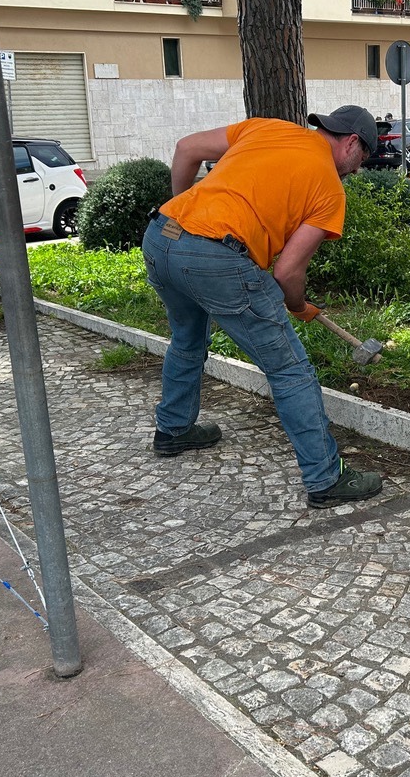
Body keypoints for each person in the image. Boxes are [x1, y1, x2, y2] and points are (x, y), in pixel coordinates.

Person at [141, 105, 383, 509]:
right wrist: (298, 306)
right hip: (216, 259)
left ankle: (174, 429)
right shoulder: (329, 188)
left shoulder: (268, 129)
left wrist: (184, 212)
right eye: (363, 159)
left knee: (187, 339)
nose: (357, 170)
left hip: (161, 236)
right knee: (290, 370)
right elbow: (288, 272)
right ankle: (326, 478)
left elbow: (186, 148)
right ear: (352, 143)